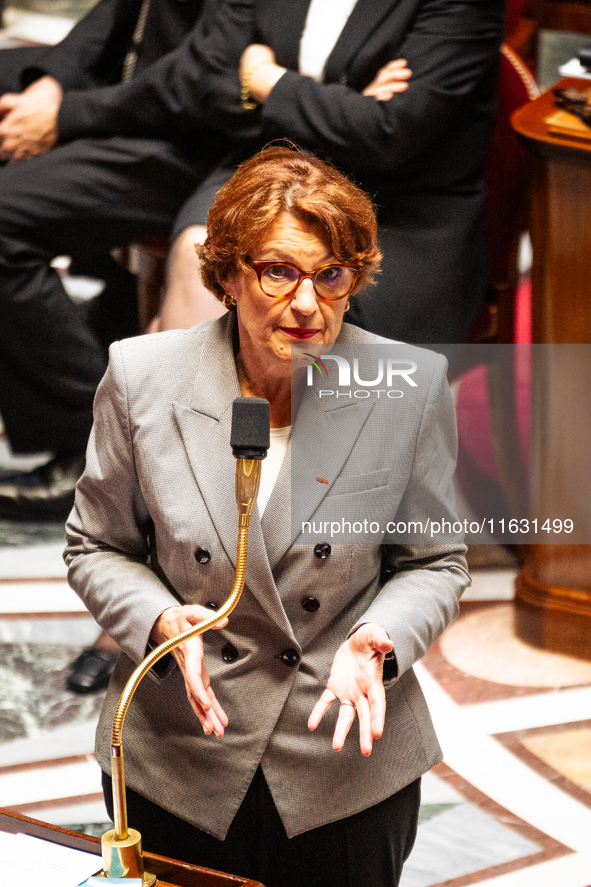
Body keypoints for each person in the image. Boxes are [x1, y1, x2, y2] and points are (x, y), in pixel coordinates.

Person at [64, 147, 469, 887]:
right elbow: (95, 545)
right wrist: (158, 619)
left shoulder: (407, 385)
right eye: (278, 271)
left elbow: (433, 561)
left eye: (331, 274)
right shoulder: (140, 376)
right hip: (182, 751)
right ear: (226, 274)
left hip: (341, 757)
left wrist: (380, 638)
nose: (308, 303)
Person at [0, 0, 251, 521]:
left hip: (203, 135)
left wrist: (64, 116)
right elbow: (119, 12)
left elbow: (203, 74)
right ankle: (67, 350)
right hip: (139, 98)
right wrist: (51, 83)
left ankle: (95, 445)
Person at [151, 0, 505, 344]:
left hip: (400, 209)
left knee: (303, 315)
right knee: (205, 256)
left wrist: (265, 80)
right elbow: (210, 83)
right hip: (279, 168)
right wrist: (350, 104)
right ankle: (190, 394)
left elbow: (387, 134)